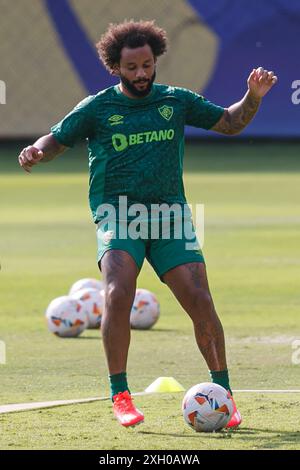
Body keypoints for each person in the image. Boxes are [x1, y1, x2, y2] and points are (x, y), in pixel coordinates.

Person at [18, 20, 277, 428]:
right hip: (117, 214)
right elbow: (57, 139)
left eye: (146, 65)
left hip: (169, 216)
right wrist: (36, 150)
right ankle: (120, 394)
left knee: (201, 301)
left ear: (155, 61)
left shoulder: (174, 101)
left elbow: (230, 122)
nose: (141, 74)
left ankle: (224, 396)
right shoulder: (98, 107)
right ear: (115, 67)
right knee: (119, 292)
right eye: (131, 67)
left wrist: (253, 96)